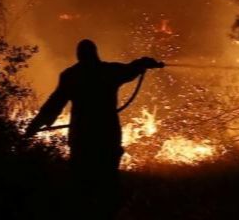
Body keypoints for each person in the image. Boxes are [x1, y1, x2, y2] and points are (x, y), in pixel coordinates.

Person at [25, 39, 164, 217]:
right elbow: (130, 69)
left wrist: (36, 124)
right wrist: (144, 62)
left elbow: (55, 102)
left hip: (82, 133)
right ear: (96, 53)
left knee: (81, 178)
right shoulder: (108, 71)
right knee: (108, 177)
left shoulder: (71, 75)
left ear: (79, 55)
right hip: (107, 131)